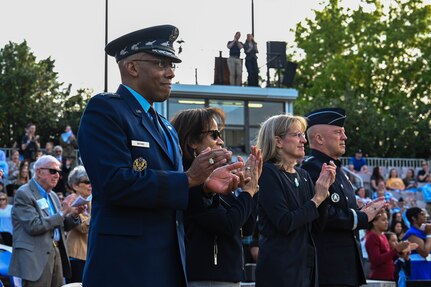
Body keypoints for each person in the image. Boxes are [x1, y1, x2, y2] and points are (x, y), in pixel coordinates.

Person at [77, 24, 245, 286]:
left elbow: (174, 193)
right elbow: (114, 184)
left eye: (172, 65)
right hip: (125, 268)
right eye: (161, 63)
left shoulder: (165, 126)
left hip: (169, 265)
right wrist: (189, 179)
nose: (171, 73)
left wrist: (205, 188)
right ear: (133, 68)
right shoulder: (106, 110)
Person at [171, 107, 262, 286]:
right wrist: (247, 192)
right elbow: (228, 225)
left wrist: (253, 186)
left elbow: (247, 228)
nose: (221, 141)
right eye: (214, 135)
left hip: (228, 275)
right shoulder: (188, 181)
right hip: (205, 277)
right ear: (192, 141)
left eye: (220, 134)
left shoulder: (217, 176)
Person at [301, 107, 386, 287]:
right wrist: (360, 217)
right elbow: (321, 215)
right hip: (328, 269)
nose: (344, 137)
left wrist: (366, 212)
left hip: (347, 268)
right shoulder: (311, 169)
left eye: (343, 132)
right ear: (319, 138)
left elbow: (342, 210)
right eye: (338, 132)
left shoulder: (338, 170)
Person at [254, 114, 337, 287]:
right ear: (278, 141)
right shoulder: (267, 174)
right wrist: (317, 199)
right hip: (280, 271)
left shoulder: (304, 175)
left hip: (306, 268)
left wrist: (324, 192)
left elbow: (317, 226)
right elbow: (285, 222)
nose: (303, 141)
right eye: (297, 135)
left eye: (303, 135)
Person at [8, 155, 84, 287]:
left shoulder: (53, 195)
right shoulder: (24, 193)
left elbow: (60, 226)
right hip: (35, 259)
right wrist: (63, 212)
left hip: (56, 254)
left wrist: (74, 216)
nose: (57, 176)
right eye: (53, 171)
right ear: (38, 171)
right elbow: (34, 226)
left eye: (59, 172)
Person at [65, 165, 92, 283]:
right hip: (76, 256)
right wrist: (97, 212)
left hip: (89, 254)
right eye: (87, 182)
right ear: (75, 186)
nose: (91, 184)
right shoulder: (71, 201)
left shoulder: (91, 201)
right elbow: (82, 228)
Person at [365, 210, 410, 281]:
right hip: (379, 278)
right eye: (383, 220)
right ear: (374, 222)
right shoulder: (372, 237)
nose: (387, 222)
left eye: (387, 219)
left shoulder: (383, 236)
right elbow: (376, 260)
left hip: (389, 277)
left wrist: (400, 254)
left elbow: (388, 258)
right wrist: (396, 250)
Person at [402, 207, 431, 280]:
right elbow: (424, 253)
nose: (425, 216)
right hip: (417, 268)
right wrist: (429, 235)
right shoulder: (411, 234)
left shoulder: (424, 232)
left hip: (427, 267)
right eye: (422, 214)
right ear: (413, 218)